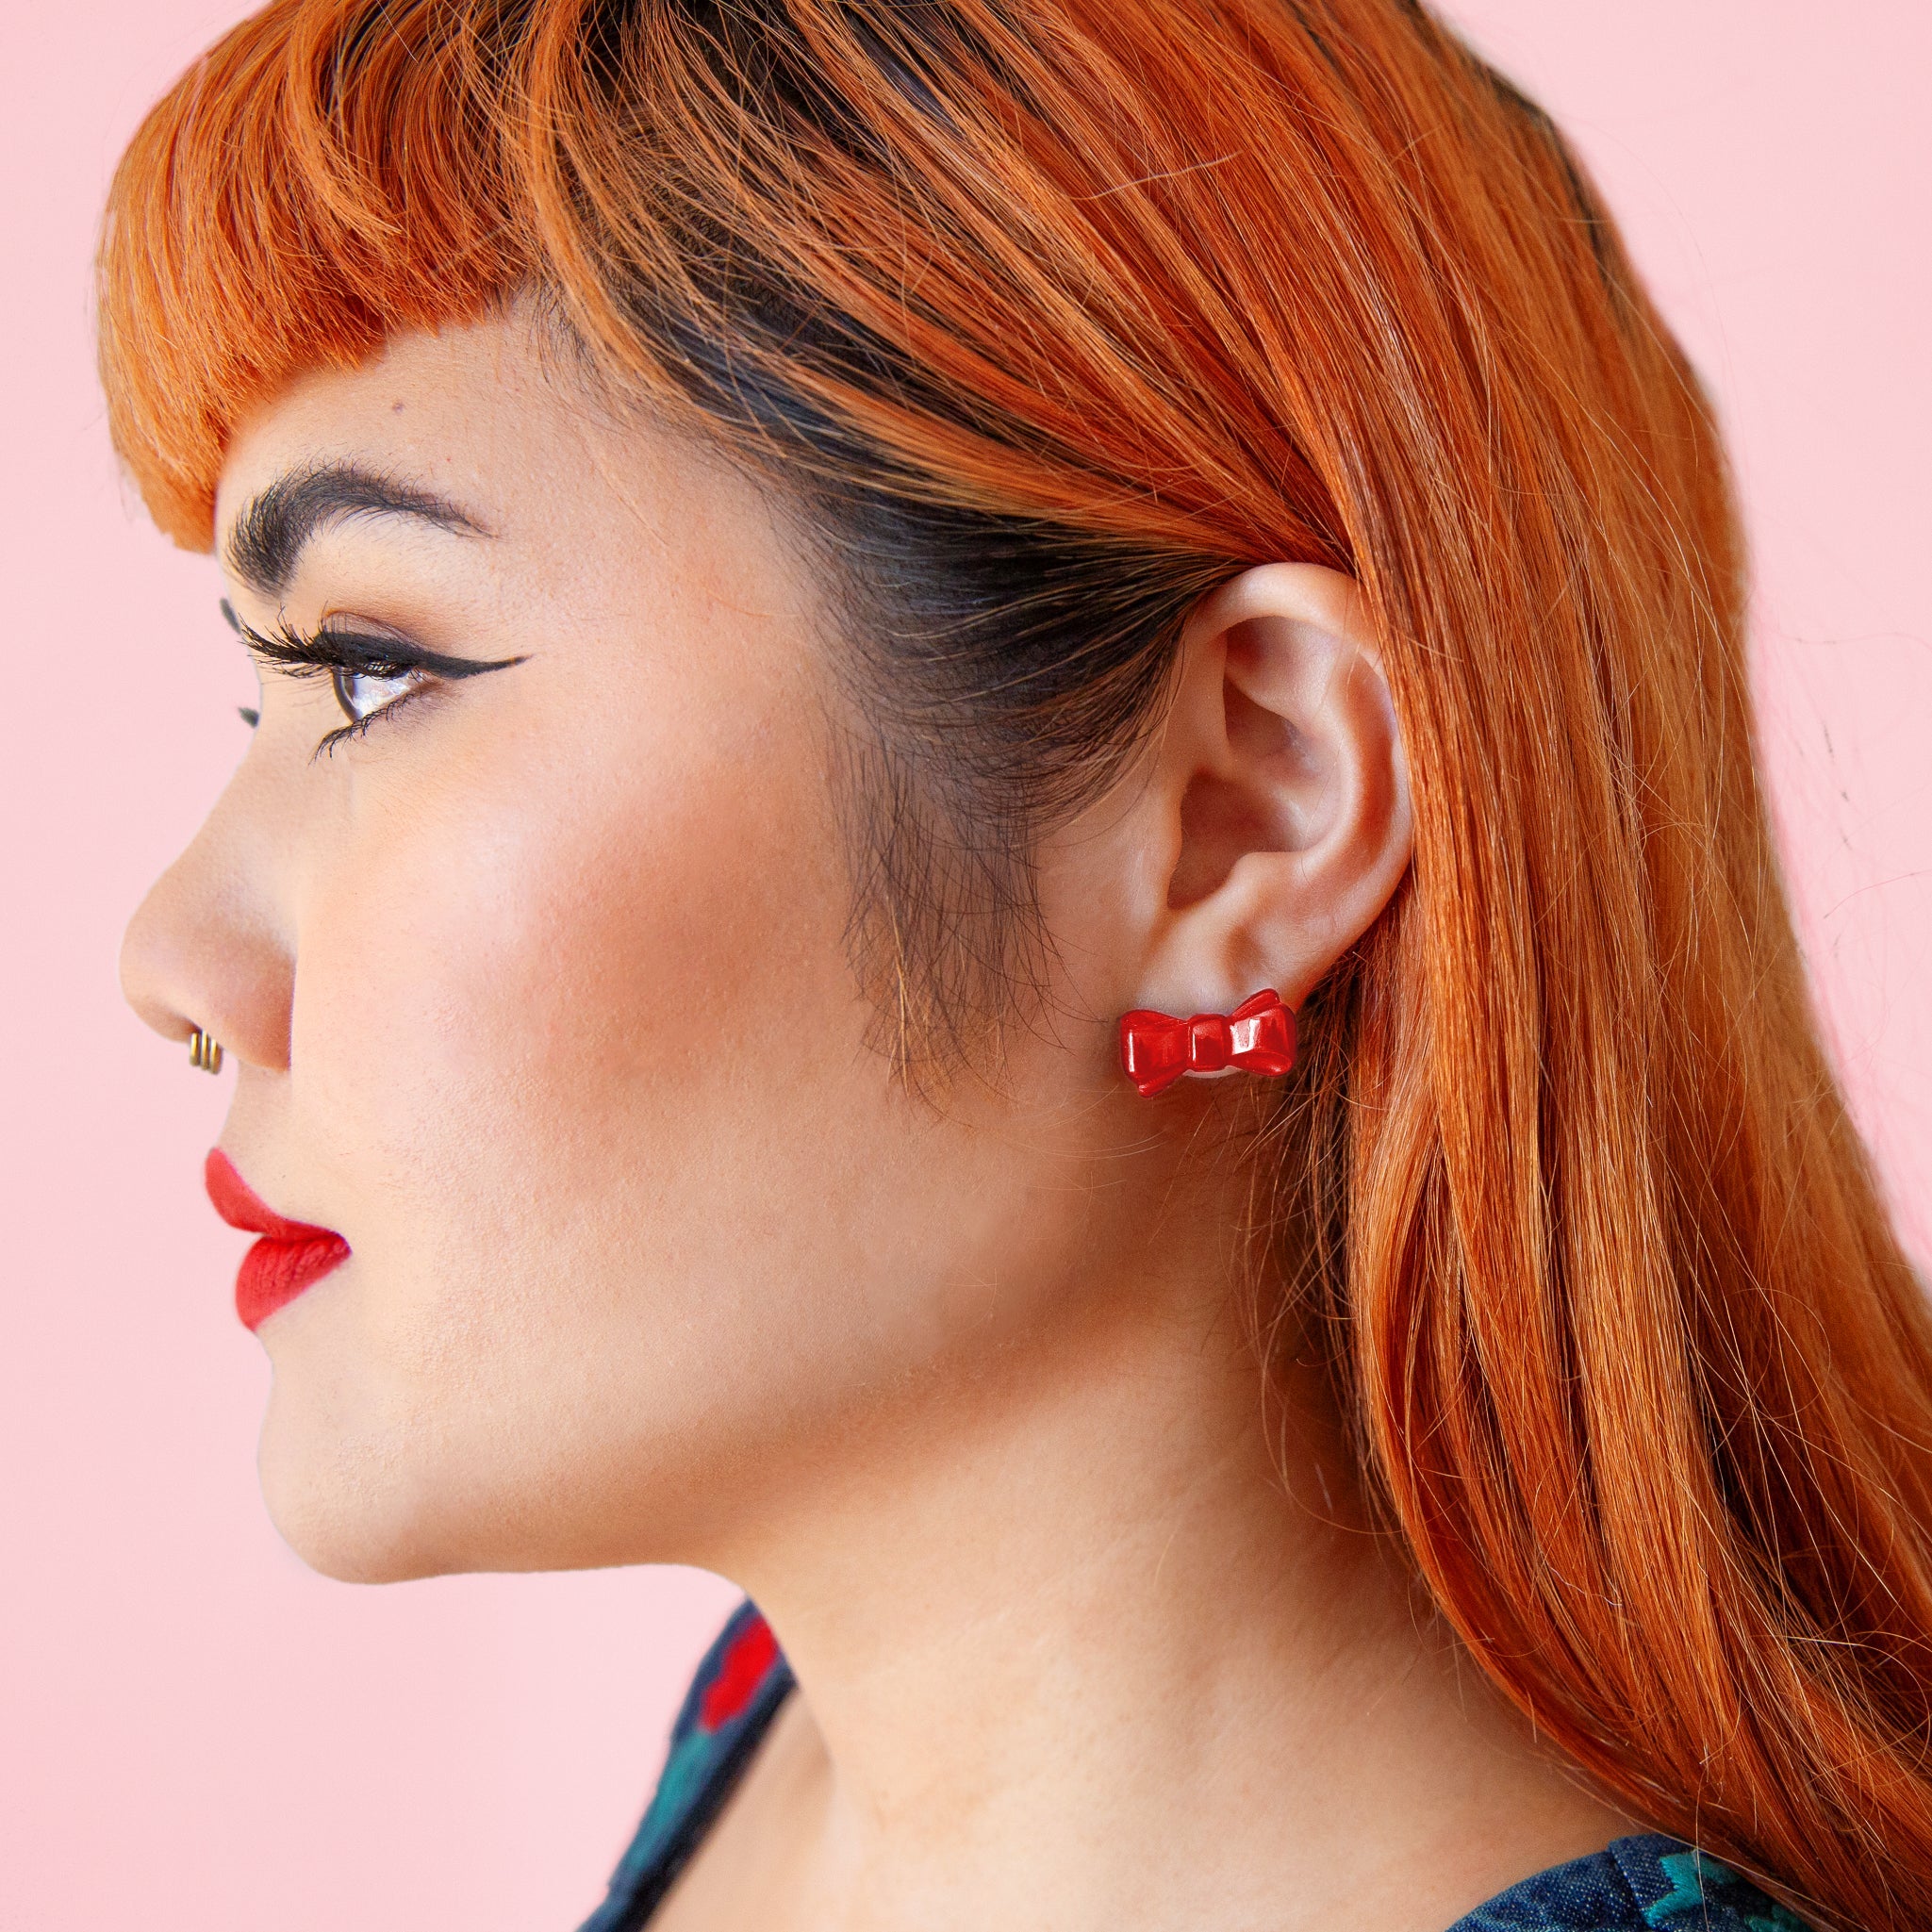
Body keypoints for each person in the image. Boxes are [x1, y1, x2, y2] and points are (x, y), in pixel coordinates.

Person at [101, 2, 1932, 1927]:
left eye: (378, 669)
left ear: (1247, 806)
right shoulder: (777, 1728)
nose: (171, 954)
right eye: (267, 696)